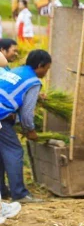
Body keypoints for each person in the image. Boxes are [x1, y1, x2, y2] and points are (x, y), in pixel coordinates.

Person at [0, 49, 51, 204]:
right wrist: (30, 130)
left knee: (2, 154)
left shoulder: (18, 71)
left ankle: (3, 191)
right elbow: (27, 113)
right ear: (40, 65)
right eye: (46, 69)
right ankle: (20, 194)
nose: (46, 73)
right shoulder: (34, 81)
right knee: (15, 151)